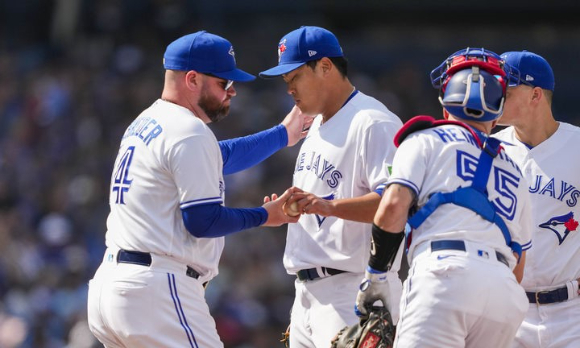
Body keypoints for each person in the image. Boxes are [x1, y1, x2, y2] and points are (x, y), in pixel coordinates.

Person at [86, 30, 310, 348]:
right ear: (192, 79)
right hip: (157, 291)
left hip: (113, 288)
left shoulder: (148, 121)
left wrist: (282, 135)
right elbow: (202, 221)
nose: (232, 92)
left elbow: (218, 157)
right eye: (224, 83)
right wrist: (264, 215)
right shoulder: (189, 130)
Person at [355, 48, 533, 347]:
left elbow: (394, 205)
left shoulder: (425, 138)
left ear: (446, 98)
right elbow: (519, 264)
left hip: (443, 275)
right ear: (497, 109)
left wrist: (376, 277)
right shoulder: (515, 170)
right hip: (504, 295)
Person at [259, 26, 404, 348]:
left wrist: (329, 206)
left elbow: (395, 203)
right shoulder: (316, 127)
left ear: (325, 67)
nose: (289, 89)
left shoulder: (372, 121)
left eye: (294, 77)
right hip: (307, 293)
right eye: (285, 82)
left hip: (353, 290)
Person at [494, 50, 580, 348]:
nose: (496, 94)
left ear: (535, 95)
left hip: (571, 313)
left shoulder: (577, 146)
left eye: (506, 89)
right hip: (507, 310)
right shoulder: (489, 149)